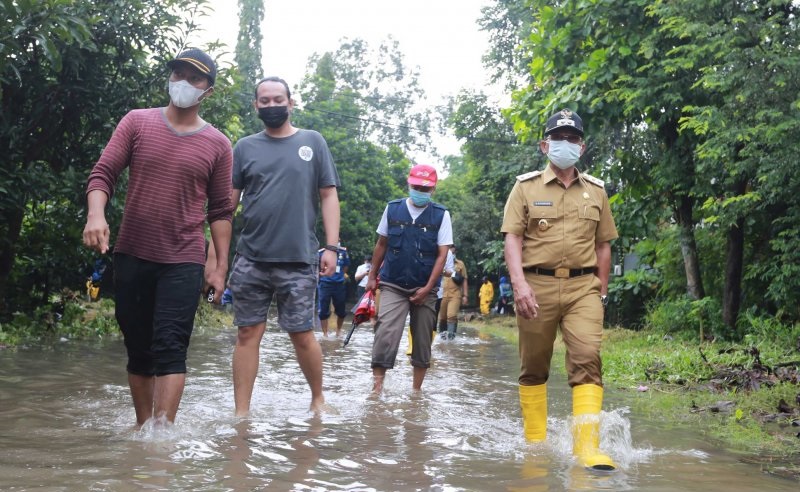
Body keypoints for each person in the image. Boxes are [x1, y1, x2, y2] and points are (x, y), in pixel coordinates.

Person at [82, 48, 233, 427]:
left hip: (182, 260)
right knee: (138, 350)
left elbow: (220, 212)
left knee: (170, 348)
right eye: (178, 73)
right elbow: (103, 174)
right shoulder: (137, 122)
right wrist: (95, 214)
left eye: (194, 78)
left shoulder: (219, 144)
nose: (183, 82)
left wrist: (219, 267)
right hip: (132, 253)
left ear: (208, 91)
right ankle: (142, 428)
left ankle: (161, 438)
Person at [501, 108, 618, 471]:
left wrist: (601, 289)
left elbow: (604, 245)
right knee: (534, 365)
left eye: (572, 138)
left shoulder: (597, 192)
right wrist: (519, 284)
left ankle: (587, 449)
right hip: (536, 286)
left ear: (581, 148)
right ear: (544, 144)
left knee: (587, 357)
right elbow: (512, 238)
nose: (565, 144)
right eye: (558, 137)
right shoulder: (525, 187)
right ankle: (535, 445)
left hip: (584, 287)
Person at [223, 76, 340, 417]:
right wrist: (215, 255)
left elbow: (329, 194)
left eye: (278, 99)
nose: (271, 105)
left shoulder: (313, 142)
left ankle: (318, 398)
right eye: (265, 100)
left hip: (299, 258)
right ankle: (241, 413)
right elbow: (227, 206)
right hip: (251, 257)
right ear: (255, 106)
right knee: (247, 333)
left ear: (291, 103)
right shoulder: (244, 147)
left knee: (302, 334)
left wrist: (332, 247)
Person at [366, 164, 451, 393]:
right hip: (393, 283)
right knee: (385, 333)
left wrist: (427, 289)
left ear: (433, 189)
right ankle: (377, 390)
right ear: (408, 183)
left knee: (423, 340)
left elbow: (442, 255)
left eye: (425, 188)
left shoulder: (441, 215)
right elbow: (381, 243)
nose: (420, 191)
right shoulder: (392, 209)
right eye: (416, 186)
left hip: (426, 286)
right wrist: (372, 276)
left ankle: (416, 393)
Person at [317, 241, 350, 337]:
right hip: (325, 284)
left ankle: (338, 331)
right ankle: (325, 333)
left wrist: (339, 276)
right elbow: (319, 267)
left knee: (341, 310)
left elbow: (346, 266)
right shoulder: (321, 253)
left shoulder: (343, 252)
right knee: (323, 310)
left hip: (339, 284)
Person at [438, 245, 468, 339]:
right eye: (450, 251)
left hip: (455, 294)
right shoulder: (441, 262)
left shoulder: (460, 264)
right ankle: (442, 339)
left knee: (451, 316)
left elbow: (465, 280)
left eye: (453, 252)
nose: (452, 254)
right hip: (442, 294)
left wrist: (465, 296)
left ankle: (451, 339)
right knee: (442, 317)